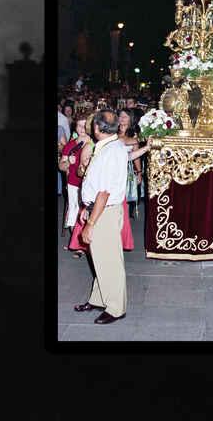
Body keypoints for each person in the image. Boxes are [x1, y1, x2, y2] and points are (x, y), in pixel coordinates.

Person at [72, 110, 129, 324]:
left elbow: (104, 192)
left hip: (104, 211)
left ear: (96, 128)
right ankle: (98, 299)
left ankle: (116, 308)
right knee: (100, 258)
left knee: (110, 261)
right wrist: (87, 207)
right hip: (99, 208)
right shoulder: (108, 146)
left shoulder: (110, 151)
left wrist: (90, 223)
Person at [59, 115, 92, 248]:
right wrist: (68, 162)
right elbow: (61, 166)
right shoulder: (71, 145)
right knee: (74, 210)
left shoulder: (95, 143)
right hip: (74, 183)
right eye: (79, 126)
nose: (82, 129)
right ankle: (77, 243)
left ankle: (89, 243)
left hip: (91, 184)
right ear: (75, 127)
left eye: (85, 126)